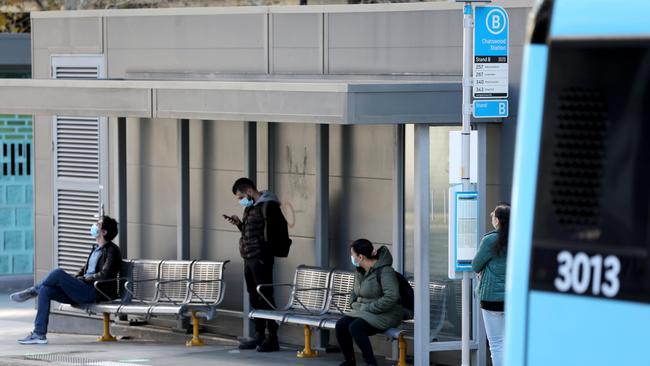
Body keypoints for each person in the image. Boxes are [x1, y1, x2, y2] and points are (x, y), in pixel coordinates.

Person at [10, 215, 123, 345]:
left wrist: (84, 279)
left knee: (57, 273)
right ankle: (39, 334)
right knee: (45, 290)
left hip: (95, 291)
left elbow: (105, 275)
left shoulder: (112, 251)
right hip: (83, 288)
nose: (94, 225)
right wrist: (76, 279)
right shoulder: (95, 249)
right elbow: (84, 270)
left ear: (104, 232)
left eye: (98, 224)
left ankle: (31, 291)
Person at [224, 177, 284, 352]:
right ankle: (259, 334)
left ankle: (272, 337)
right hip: (248, 257)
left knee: (265, 295)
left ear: (249, 191)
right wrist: (239, 225)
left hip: (260, 257)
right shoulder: (251, 207)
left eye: (240, 196)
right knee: (253, 295)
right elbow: (252, 231)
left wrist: (263, 252)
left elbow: (272, 234)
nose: (240, 200)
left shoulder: (269, 206)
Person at [335, 239, 403, 366]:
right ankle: (349, 361)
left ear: (360, 257)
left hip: (387, 313)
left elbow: (392, 297)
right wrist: (353, 304)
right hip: (365, 311)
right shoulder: (360, 270)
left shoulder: (385, 271)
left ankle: (371, 363)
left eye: (353, 255)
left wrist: (369, 307)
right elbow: (354, 292)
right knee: (341, 325)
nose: (352, 258)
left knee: (356, 327)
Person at [472, 203, 510, 366]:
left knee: (496, 345)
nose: (492, 219)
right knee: (510, 343)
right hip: (512, 298)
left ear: (498, 220)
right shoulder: (519, 237)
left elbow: (476, 265)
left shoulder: (489, 240)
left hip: (491, 299)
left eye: (493, 216)